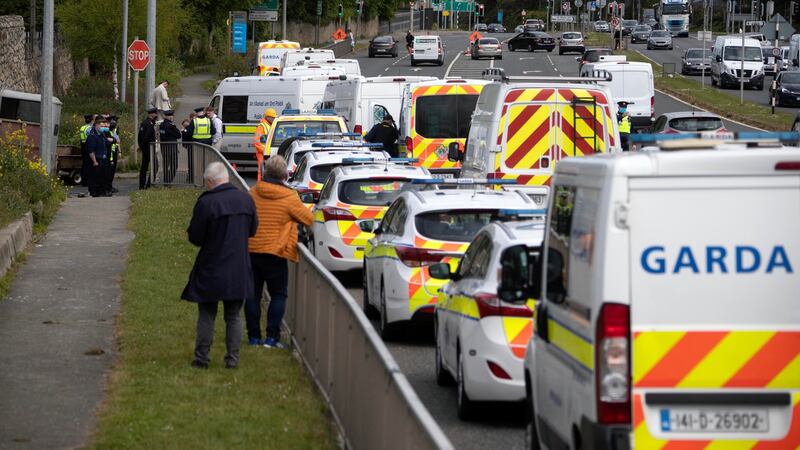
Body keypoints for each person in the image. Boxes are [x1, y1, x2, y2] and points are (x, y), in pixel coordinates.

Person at [182, 162, 258, 369]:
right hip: (238, 266)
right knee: (233, 316)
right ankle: (232, 359)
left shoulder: (207, 203)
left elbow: (196, 238)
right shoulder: (246, 199)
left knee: (207, 314)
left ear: (209, 181)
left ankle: (202, 358)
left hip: (211, 266)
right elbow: (253, 230)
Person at [246, 155, 313, 348]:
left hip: (252, 250)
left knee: (252, 295)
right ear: (284, 174)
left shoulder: (253, 192)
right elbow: (308, 219)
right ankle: (271, 338)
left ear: (265, 172)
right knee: (278, 295)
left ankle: (253, 337)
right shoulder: (289, 196)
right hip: (276, 252)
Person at [86, 116, 110, 197]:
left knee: (103, 177)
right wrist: (94, 161)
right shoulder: (92, 135)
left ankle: (102, 191)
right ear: (96, 125)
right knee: (95, 177)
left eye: (104, 126)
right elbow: (91, 151)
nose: (103, 128)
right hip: (97, 159)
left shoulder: (101, 134)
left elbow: (105, 143)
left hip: (103, 158)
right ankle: (94, 192)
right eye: (102, 126)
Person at [253, 108, 277, 180]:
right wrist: (264, 151)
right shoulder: (262, 126)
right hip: (262, 153)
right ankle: (260, 187)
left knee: (268, 172)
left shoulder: (270, 125)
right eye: (272, 117)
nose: (274, 119)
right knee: (262, 171)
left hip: (268, 153)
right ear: (268, 117)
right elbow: (257, 142)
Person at [159, 110, 183, 183]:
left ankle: (166, 181)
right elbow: (179, 135)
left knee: (166, 165)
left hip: (164, 148)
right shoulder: (170, 126)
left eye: (172, 115)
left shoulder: (162, 125)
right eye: (170, 116)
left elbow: (162, 136)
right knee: (174, 165)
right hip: (172, 148)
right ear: (166, 116)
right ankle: (169, 181)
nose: (172, 117)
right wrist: (174, 128)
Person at [138, 107, 158, 189]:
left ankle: (142, 185)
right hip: (149, 148)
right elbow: (146, 137)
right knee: (155, 165)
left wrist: (141, 146)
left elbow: (140, 136)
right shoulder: (149, 124)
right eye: (155, 113)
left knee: (144, 167)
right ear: (152, 114)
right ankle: (148, 184)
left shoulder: (145, 123)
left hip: (145, 148)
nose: (156, 115)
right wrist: (143, 146)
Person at [104, 117, 120, 194]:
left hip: (114, 152)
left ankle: (109, 186)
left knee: (112, 171)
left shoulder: (114, 131)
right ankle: (108, 187)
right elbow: (113, 140)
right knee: (109, 172)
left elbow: (117, 141)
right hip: (109, 153)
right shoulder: (108, 132)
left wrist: (119, 151)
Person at [79, 114, 95, 187]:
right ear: (92, 120)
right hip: (88, 146)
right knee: (88, 165)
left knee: (84, 164)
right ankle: (87, 181)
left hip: (83, 146)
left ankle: (84, 181)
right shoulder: (89, 128)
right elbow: (91, 138)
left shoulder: (82, 127)